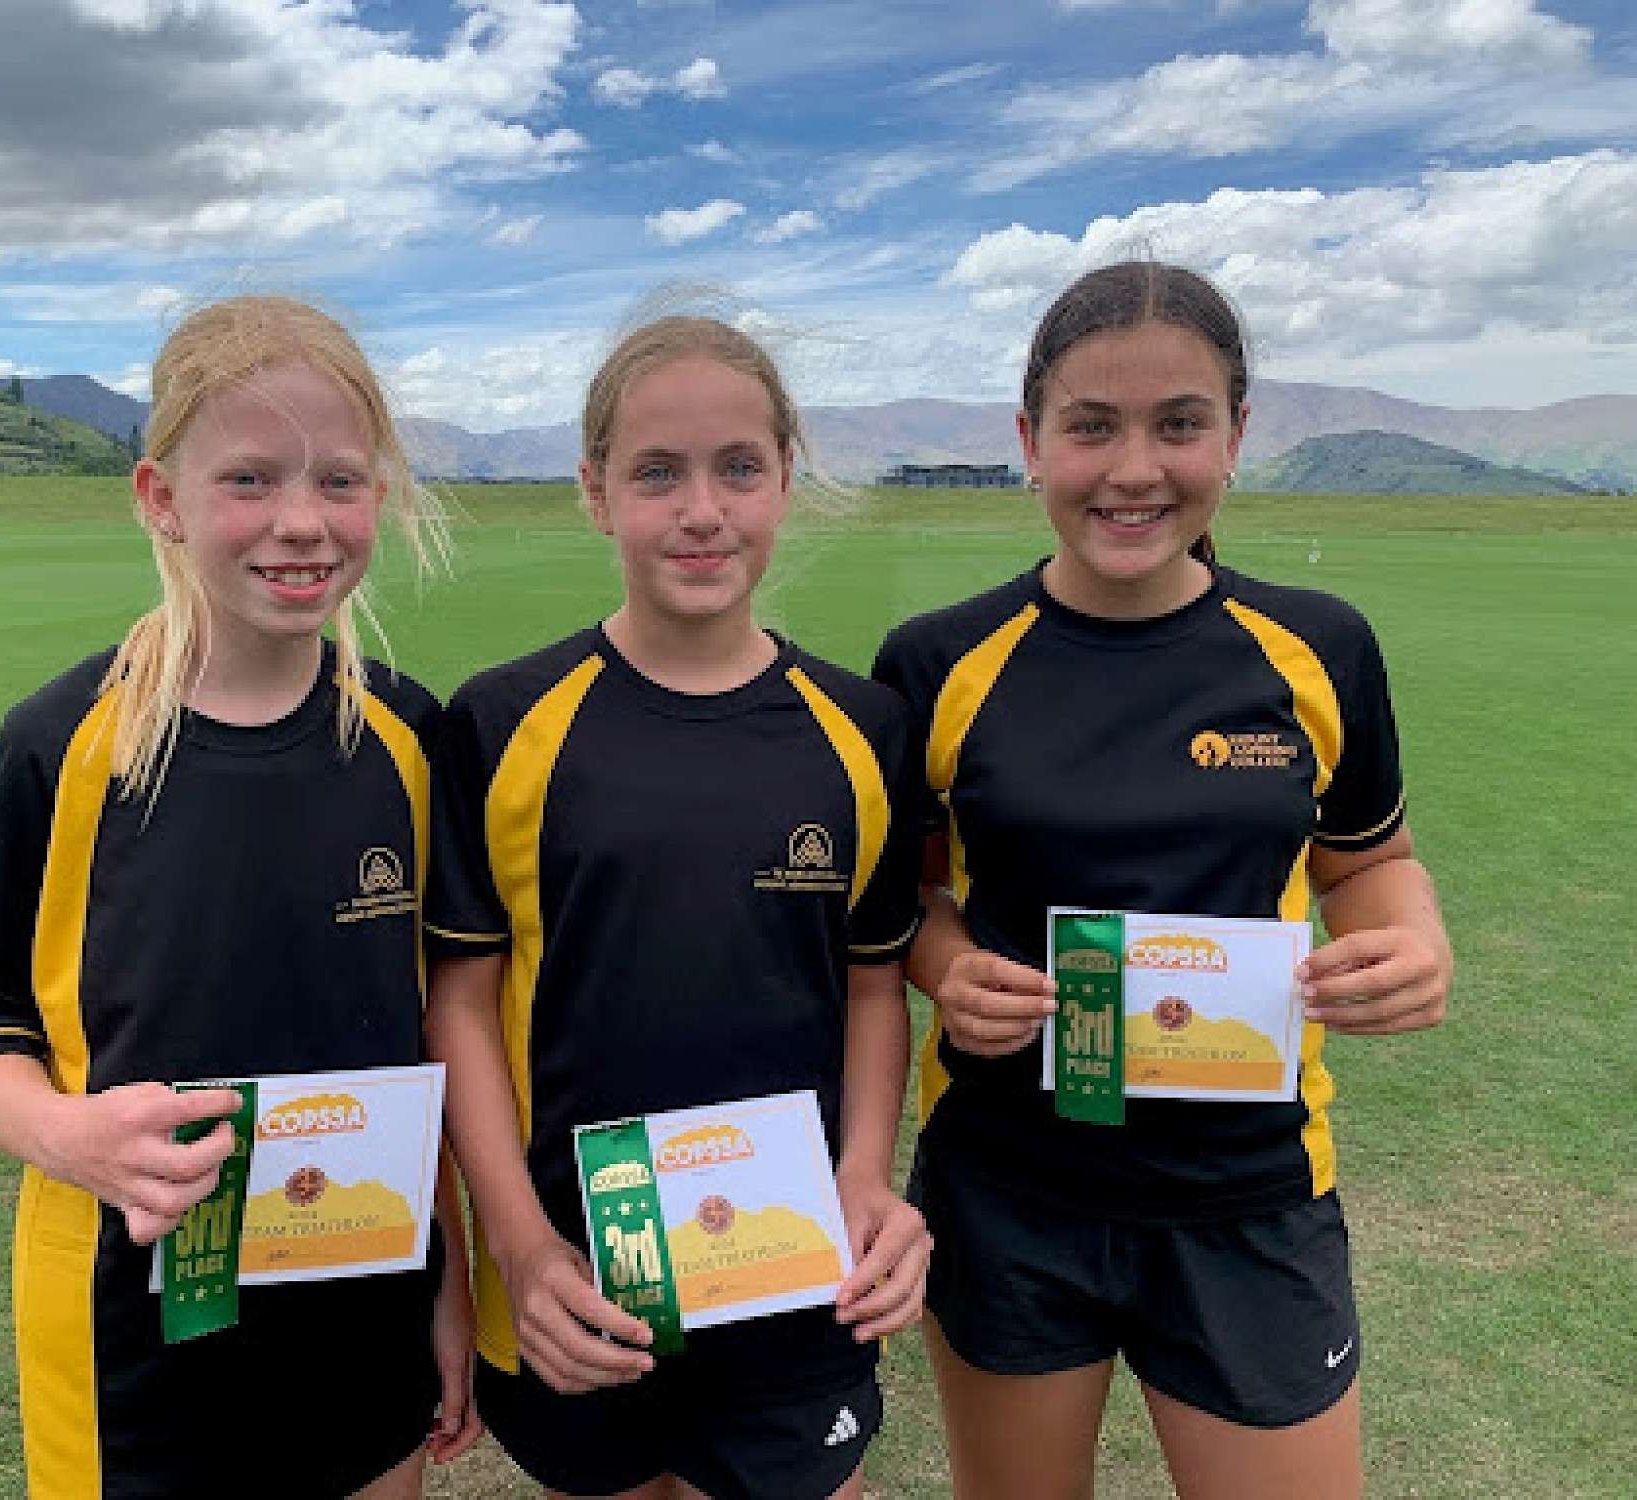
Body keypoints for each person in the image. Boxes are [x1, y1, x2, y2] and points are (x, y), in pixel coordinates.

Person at [872, 260, 1453, 1499]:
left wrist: (1411, 938)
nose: (1133, 469)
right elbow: (906, 901)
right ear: (1028, 442)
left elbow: (1369, 863)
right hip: (1008, 1189)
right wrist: (947, 968)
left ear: (1233, 437)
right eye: (1090, 426)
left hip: (1248, 1192)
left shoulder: (1316, 647)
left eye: (1177, 424)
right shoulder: (937, 662)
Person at [0, 295, 478, 1498]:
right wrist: (67, 1136)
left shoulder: (408, 738)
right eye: (248, 480)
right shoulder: (65, 744)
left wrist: (448, 1276)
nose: (301, 521)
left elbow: (424, 1037)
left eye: (338, 480)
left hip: (365, 1305)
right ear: (160, 498)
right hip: (131, 1327)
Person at [423, 310, 933, 1500]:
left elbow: (871, 985)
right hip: (576, 1284)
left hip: (795, 1281)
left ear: (784, 481)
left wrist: (864, 1174)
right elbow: (460, 1002)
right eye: (656, 473)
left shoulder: (861, 730)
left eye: (736, 468)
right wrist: (520, 1244)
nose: (700, 510)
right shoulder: (502, 721)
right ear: (594, 492)